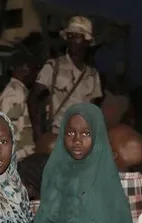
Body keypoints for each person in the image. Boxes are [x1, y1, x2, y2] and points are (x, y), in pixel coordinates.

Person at [27, 16, 103, 147]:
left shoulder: (92, 75)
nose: (72, 40)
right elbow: (32, 98)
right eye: (70, 36)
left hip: (81, 140)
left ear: (86, 42)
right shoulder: (53, 66)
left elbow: (93, 109)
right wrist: (38, 132)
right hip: (57, 138)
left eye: (78, 36)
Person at [0, 49, 39, 161]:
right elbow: (10, 128)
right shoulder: (15, 92)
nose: (36, 74)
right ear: (26, 68)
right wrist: (21, 155)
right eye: (34, 69)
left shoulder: (19, 90)